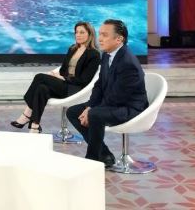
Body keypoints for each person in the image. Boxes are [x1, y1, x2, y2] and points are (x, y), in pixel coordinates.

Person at [66, 19, 148, 167]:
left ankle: (92, 160)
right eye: (99, 34)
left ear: (119, 39)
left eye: (104, 35)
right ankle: (104, 155)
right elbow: (99, 85)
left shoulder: (127, 62)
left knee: (94, 114)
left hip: (129, 107)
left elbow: (118, 97)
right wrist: (89, 106)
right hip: (112, 102)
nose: (99, 39)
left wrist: (91, 110)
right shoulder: (107, 54)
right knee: (73, 112)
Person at [10, 21, 101, 133]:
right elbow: (63, 70)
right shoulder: (72, 49)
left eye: (82, 32)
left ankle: (27, 113)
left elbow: (84, 80)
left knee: (39, 77)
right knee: (42, 89)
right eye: (76, 32)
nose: (78, 35)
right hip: (64, 84)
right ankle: (35, 125)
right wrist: (58, 76)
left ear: (90, 34)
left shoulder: (94, 54)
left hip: (75, 89)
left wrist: (64, 78)